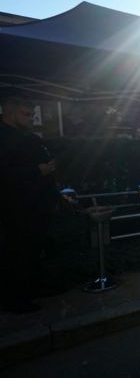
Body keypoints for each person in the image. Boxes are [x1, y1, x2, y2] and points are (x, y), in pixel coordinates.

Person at [0, 95, 58, 314]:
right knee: (18, 251)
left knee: (33, 249)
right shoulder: (3, 136)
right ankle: (14, 298)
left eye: (32, 114)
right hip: (16, 206)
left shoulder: (26, 135)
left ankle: (32, 288)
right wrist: (37, 171)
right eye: (26, 114)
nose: (31, 118)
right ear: (10, 111)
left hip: (37, 204)